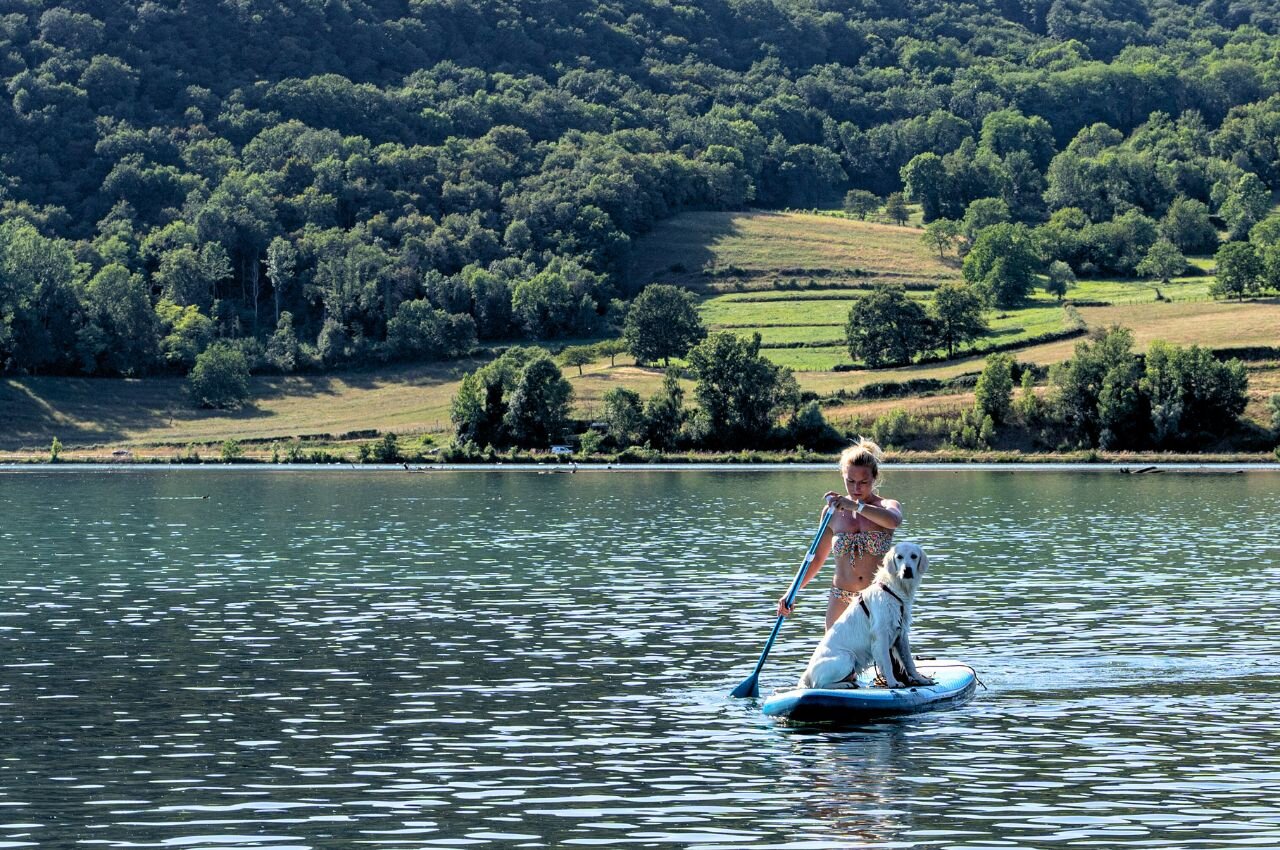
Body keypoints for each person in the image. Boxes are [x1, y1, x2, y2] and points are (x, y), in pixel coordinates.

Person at [777, 440, 903, 630]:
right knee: (833, 655)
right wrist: (791, 592)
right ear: (843, 476)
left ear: (874, 478)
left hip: (877, 596)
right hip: (840, 597)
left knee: (881, 654)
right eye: (850, 481)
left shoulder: (886, 506)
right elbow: (816, 557)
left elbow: (894, 521)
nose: (856, 488)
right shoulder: (831, 512)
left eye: (863, 482)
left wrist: (855, 506)